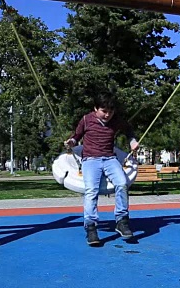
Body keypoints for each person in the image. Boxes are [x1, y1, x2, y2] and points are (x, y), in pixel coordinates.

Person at [64, 91, 139, 245]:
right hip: (90, 159)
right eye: (104, 111)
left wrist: (132, 141)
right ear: (95, 108)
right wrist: (71, 142)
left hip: (110, 159)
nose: (107, 115)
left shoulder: (116, 120)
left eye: (110, 112)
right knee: (91, 190)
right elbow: (76, 136)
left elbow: (129, 131)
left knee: (122, 184)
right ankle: (91, 227)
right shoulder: (86, 119)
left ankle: (121, 221)